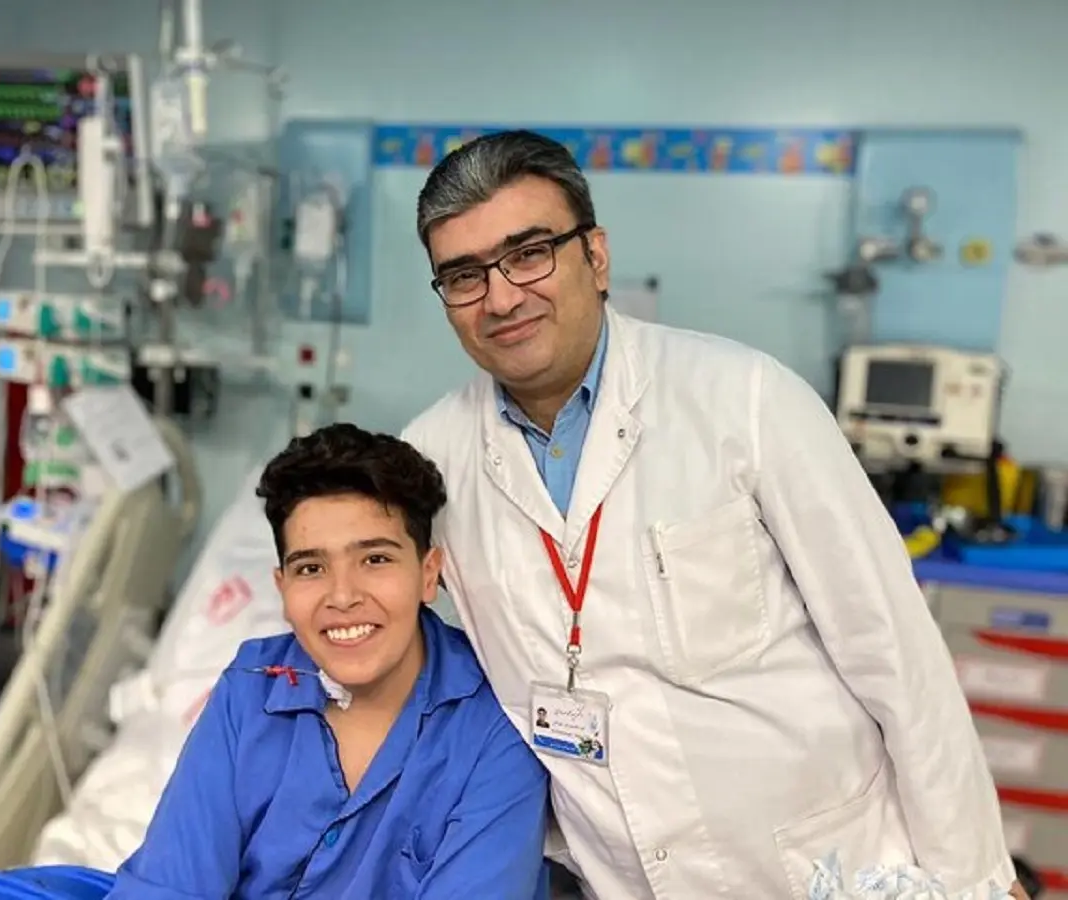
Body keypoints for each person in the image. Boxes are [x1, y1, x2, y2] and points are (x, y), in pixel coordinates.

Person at [400, 130, 1026, 900]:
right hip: (621, 878)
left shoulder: (746, 399)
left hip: (830, 867)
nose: (500, 297)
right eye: (463, 275)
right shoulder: (431, 460)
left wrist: (976, 880)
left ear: (595, 256)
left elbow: (895, 651)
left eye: (529, 254)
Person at [0, 424, 549, 900]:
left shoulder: (494, 735)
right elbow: (174, 883)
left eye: (375, 559)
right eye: (311, 568)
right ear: (281, 587)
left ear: (429, 573)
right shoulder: (255, 687)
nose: (343, 596)